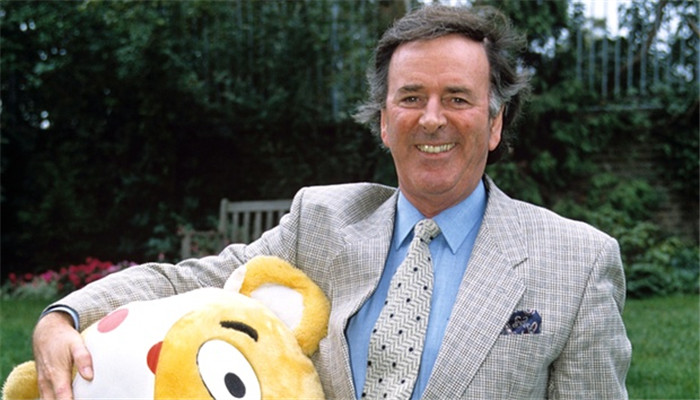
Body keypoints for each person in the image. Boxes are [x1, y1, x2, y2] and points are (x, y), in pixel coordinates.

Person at [32, 4, 631, 399]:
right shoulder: (320, 223)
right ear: (384, 122)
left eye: (457, 98)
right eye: (411, 97)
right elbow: (190, 281)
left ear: (495, 123)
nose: (431, 119)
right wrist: (66, 316)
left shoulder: (576, 263)